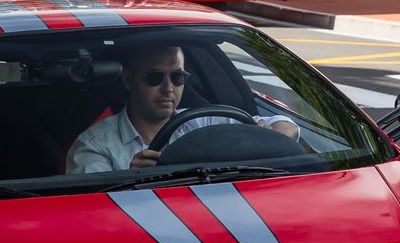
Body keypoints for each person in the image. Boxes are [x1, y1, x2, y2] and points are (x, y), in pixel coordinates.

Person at [64, 41, 297, 173]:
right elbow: (93, 213)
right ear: (128, 80)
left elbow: (285, 124)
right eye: (155, 77)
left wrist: (271, 137)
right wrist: (128, 178)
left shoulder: (205, 122)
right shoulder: (95, 146)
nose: (168, 88)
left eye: (177, 77)